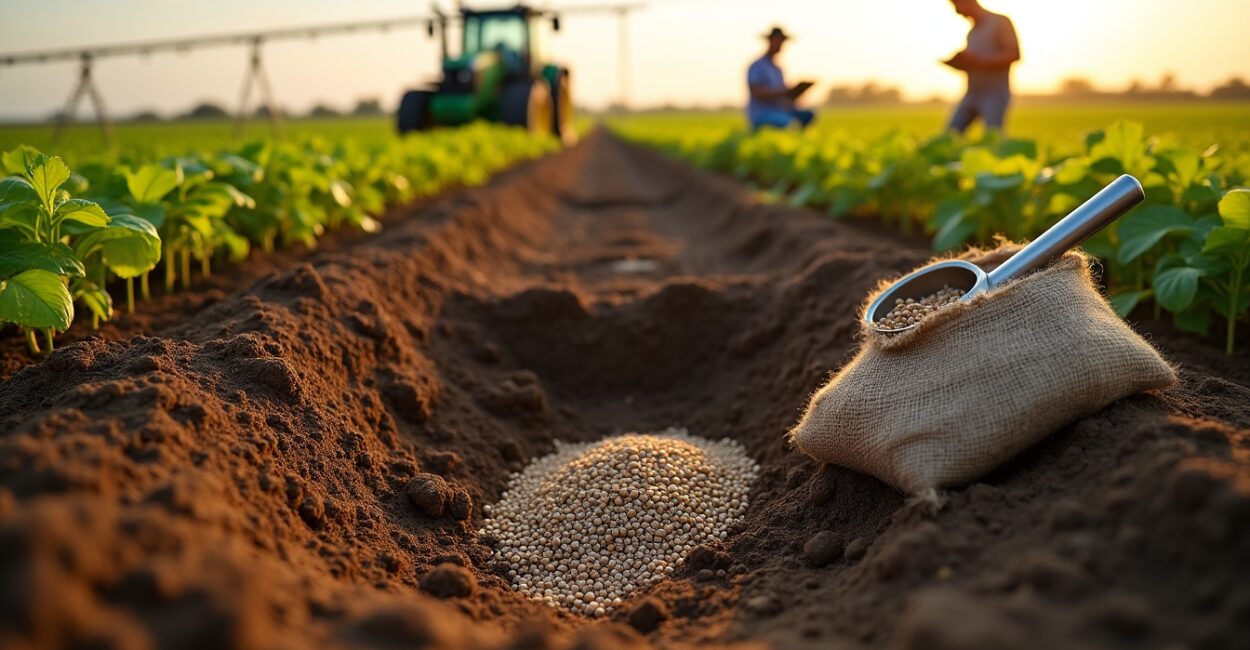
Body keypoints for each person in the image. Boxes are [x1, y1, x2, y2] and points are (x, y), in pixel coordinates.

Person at [943, 0, 1020, 134]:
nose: (957, 12)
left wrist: (980, 61)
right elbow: (973, 63)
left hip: (995, 94)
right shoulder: (972, 33)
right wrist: (961, 63)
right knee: (950, 135)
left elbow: (1013, 54)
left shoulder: (1000, 22)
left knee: (993, 138)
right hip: (972, 93)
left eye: (957, 5)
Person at [746, 27, 815, 131]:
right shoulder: (757, 66)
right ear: (770, 41)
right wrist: (783, 92)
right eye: (778, 41)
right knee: (787, 122)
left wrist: (795, 92)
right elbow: (757, 93)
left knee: (808, 114)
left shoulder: (778, 69)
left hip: (780, 110)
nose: (780, 45)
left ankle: (796, 141)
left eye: (782, 42)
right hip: (762, 113)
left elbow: (784, 96)